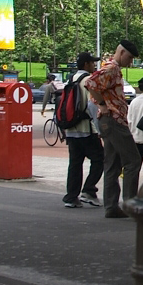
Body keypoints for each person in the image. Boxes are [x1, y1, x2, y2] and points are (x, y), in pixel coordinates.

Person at [83, 40, 142, 218]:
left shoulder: (110, 68)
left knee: (112, 163)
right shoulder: (112, 68)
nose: (130, 62)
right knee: (133, 161)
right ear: (122, 52)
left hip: (107, 121)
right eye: (130, 57)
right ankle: (130, 204)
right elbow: (90, 83)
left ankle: (111, 205)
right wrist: (102, 104)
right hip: (114, 119)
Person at [62, 52, 104, 208]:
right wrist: (100, 128)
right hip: (86, 128)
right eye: (93, 63)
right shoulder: (88, 80)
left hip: (71, 128)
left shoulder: (71, 79)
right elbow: (92, 105)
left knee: (75, 162)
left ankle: (71, 196)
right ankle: (89, 190)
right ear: (86, 64)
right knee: (100, 159)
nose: (94, 65)